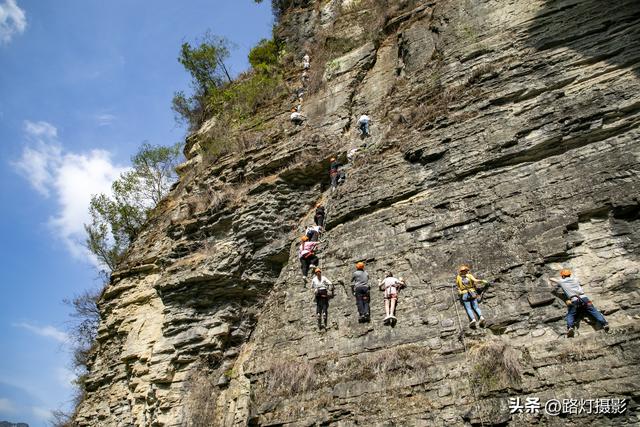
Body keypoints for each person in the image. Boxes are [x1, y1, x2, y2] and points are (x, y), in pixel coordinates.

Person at [550, 269, 609, 337]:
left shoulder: (562, 282)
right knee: (593, 311)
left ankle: (570, 327)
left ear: (563, 275)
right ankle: (604, 324)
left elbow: (552, 279)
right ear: (569, 274)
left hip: (574, 300)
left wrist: (557, 279)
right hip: (584, 299)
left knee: (571, 314)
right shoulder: (575, 279)